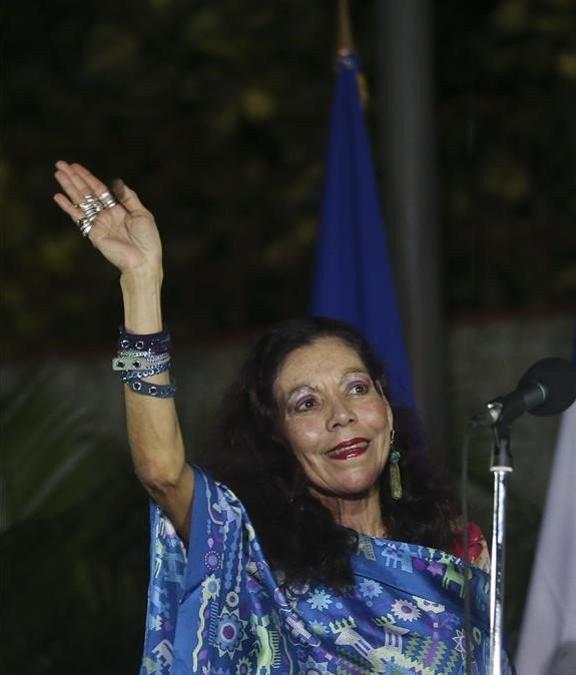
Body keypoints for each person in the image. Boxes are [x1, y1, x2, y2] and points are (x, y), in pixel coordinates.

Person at [52, 161, 501, 674]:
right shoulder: (250, 555)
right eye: (306, 403)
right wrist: (140, 282)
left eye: (356, 389)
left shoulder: (452, 552)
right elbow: (161, 472)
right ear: (277, 437)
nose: (341, 417)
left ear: (387, 412)